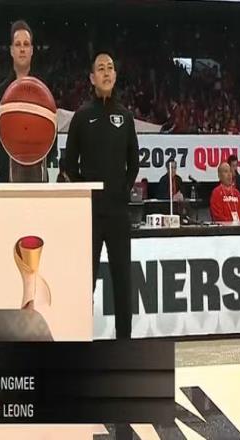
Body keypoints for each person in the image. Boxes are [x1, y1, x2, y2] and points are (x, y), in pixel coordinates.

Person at [65, 50, 139, 340]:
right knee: (85, 284)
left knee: (122, 282)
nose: (106, 72)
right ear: (92, 78)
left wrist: (123, 189)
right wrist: (86, 192)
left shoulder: (125, 116)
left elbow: (134, 162)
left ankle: (125, 346)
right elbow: (69, 166)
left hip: (118, 213)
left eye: (110, 67)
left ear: (115, 75)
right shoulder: (82, 116)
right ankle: (81, 340)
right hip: (90, 215)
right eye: (101, 68)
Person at [0, 20, 56, 182]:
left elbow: (53, 141)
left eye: (26, 44)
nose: (22, 49)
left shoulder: (44, 93)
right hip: (7, 182)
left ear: (32, 50)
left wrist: (36, 160)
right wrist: (5, 164)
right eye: (18, 44)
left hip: (39, 180)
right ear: (11, 50)